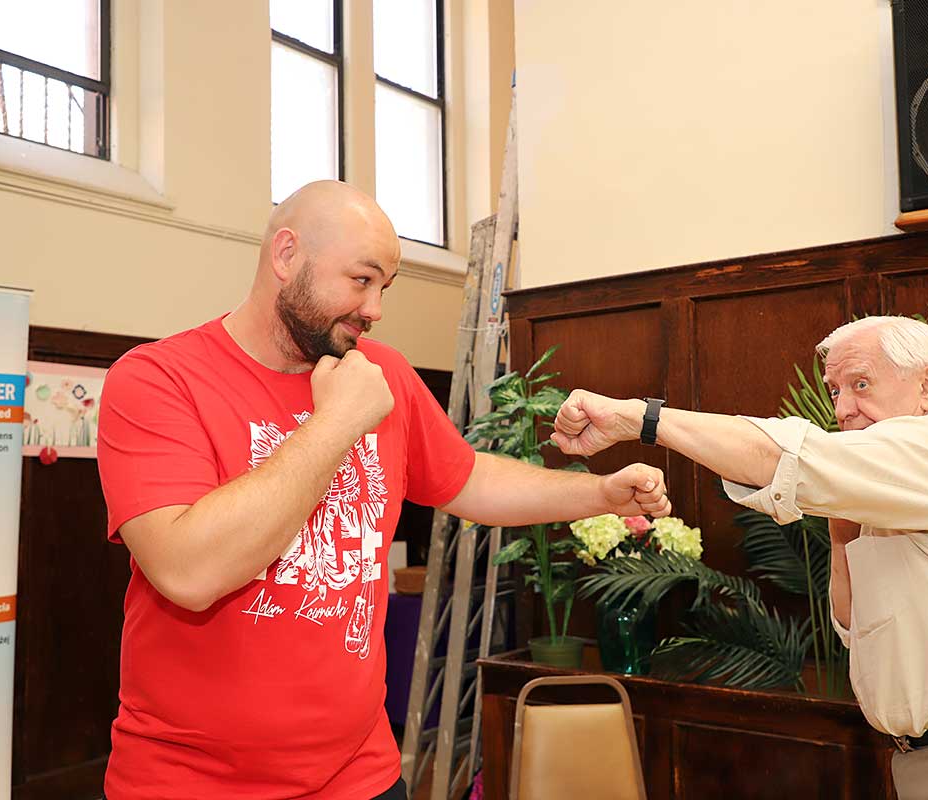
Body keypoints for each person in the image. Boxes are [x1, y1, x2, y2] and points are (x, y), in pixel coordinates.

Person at [96, 180, 671, 800]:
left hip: (360, 775)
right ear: (286, 255)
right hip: (190, 783)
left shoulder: (380, 372)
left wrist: (597, 494)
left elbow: (467, 478)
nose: (375, 309)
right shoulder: (158, 379)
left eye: (384, 287)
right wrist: (337, 422)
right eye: (361, 280)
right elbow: (188, 571)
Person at [551, 315, 928, 800]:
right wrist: (844, 525)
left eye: (861, 384)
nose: (844, 408)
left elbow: (777, 455)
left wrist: (640, 419)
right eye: (835, 391)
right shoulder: (898, 480)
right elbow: (853, 625)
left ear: (927, 385)